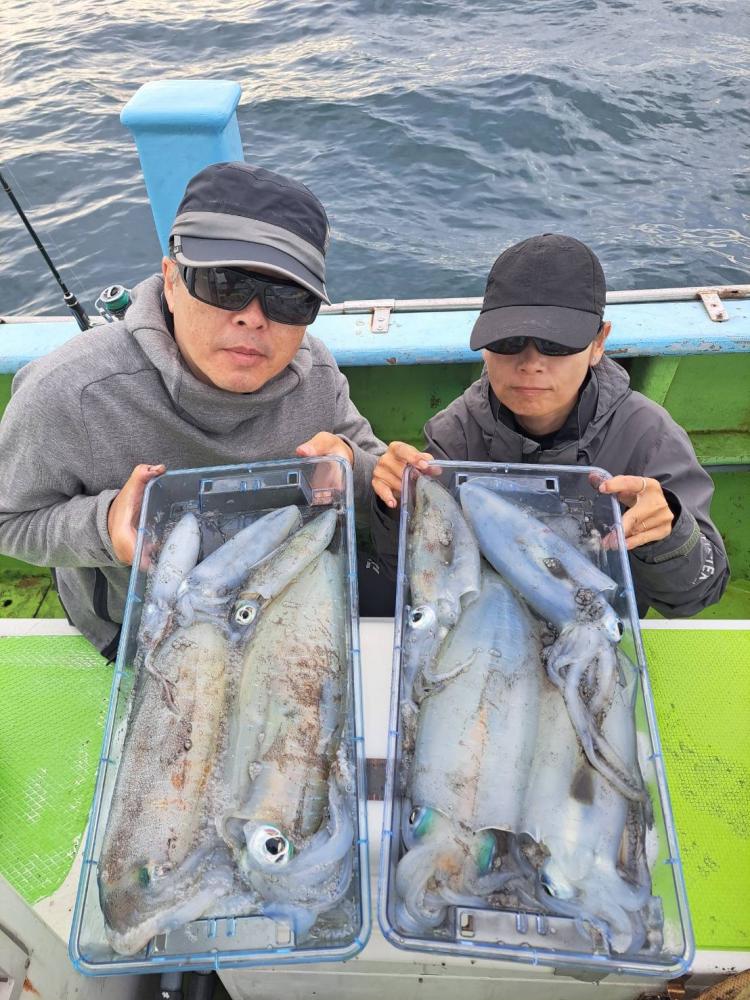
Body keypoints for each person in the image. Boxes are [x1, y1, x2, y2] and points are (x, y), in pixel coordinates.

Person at [0, 161, 385, 656]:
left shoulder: (317, 375)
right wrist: (104, 523)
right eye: (224, 284)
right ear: (171, 281)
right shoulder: (71, 392)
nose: (253, 318)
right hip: (140, 623)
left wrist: (353, 466)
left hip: (279, 604)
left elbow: (377, 478)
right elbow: (8, 520)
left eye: (289, 298)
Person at [371, 233, 729, 618]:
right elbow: (411, 576)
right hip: (488, 625)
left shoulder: (649, 438)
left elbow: (697, 594)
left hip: (600, 627)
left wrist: (667, 533)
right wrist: (399, 506)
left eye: (556, 344)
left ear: (598, 343)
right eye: (509, 341)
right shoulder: (452, 435)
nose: (530, 363)